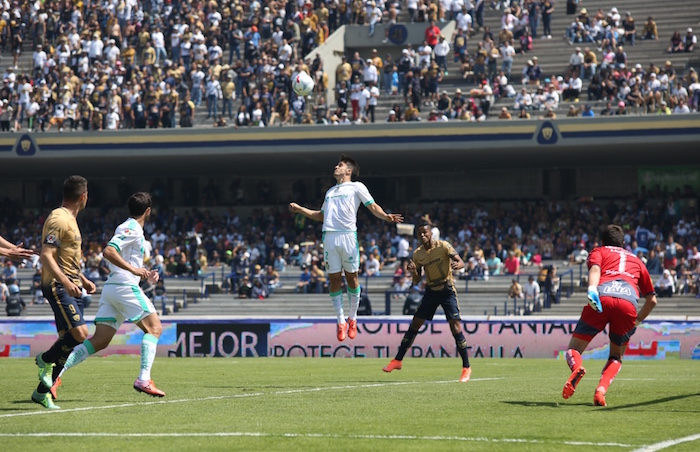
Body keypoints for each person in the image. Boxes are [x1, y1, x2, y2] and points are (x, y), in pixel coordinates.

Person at [56, 192, 164, 399]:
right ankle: (143, 379)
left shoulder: (132, 228)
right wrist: (134, 271)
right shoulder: (132, 228)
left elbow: (123, 257)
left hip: (115, 287)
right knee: (155, 328)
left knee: (100, 340)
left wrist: (145, 272)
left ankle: (55, 374)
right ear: (148, 211)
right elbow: (109, 251)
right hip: (123, 286)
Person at [289, 155, 403, 341]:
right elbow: (321, 215)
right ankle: (340, 321)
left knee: (352, 278)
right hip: (329, 237)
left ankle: (353, 318)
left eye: (340, 165)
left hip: (348, 236)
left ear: (348, 171)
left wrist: (386, 216)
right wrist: (301, 209)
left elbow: (372, 206)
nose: (336, 166)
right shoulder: (330, 192)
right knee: (334, 280)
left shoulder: (357, 187)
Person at [562, 224, 657, 407]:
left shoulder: (599, 251)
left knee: (573, 350)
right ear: (623, 243)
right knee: (615, 356)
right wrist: (636, 321)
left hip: (602, 298)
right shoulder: (637, 260)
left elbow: (595, 270)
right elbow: (652, 300)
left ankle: (577, 368)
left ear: (602, 241)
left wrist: (591, 290)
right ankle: (600, 392)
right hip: (627, 303)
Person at [32, 176, 96, 410]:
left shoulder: (70, 219)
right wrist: (67, 283)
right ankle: (44, 359)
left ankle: (42, 392)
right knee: (80, 333)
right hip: (59, 286)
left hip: (71, 284)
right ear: (83, 196)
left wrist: (83, 279)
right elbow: (46, 255)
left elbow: (66, 259)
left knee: (66, 343)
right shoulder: (59, 219)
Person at [383, 221, 472, 382]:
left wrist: (457, 264)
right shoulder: (418, 254)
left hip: (446, 290)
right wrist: (413, 272)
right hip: (431, 291)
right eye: (420, 233)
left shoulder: (443, 246)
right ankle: (397, 360)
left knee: (455, 326)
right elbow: (416, 281)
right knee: (415, 324)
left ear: (431, 233)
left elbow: (461, 261)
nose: (423, 235)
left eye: (425, 232)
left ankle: (466, 367)